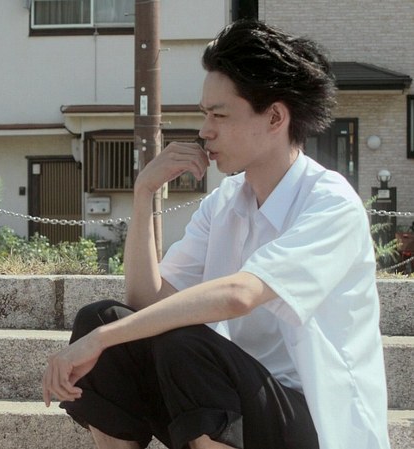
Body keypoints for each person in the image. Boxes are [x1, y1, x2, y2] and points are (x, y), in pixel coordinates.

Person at [43, 20, 390, 449]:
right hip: (238, 400)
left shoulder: (329, 202)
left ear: (275, 117)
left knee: (182, 344)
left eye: (219, 115)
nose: (205, 130)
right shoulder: (226, 201)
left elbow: (240, 295)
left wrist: (100, 341)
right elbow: (146, 300)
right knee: (100, 318)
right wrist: (143, 193)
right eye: (205, 113)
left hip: (318, 423)